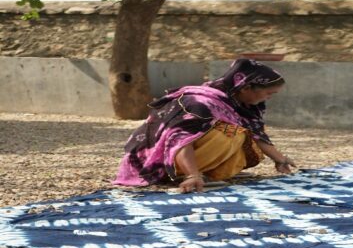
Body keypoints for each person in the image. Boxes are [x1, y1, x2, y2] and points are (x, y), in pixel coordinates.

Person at [114, 58, 296, 193]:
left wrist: (280, 160)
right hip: (156, 162)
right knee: (231, 133)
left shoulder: (238, 103)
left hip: (181, 155)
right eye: (268, 94)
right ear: (246, 87)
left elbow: (257, 134)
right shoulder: (199, 103)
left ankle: (207, 171)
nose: (268, 99)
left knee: (244, 136)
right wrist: (192, 175)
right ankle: (184, 174)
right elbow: (180, 140)